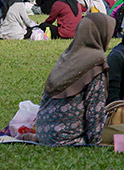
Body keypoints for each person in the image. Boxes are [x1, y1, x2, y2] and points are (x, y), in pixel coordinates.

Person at [35, 14, 116, 146]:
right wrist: (95, 143)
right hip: (70, 138)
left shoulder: (67, 56)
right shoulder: (96, 61)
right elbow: (95, 108)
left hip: (44, 134)